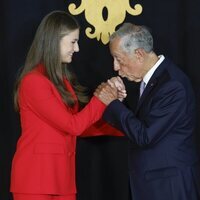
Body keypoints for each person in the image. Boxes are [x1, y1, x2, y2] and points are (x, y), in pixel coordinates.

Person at [10, 10, 126, 200]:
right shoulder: (33, 81)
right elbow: (74, 125)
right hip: (35, 180)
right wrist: (103, 97)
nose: (77, 48)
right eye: (73, 41)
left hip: (63, 180)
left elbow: (78, 125)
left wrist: (113, 108)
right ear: (54, 41)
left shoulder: (61, 80)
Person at [95, 23, 200, 200]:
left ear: (139, 54)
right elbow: (144, 126)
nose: (115, 67)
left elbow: (145, 136)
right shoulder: (155, 80)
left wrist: (113, 103)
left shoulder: (172, 85)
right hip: (154, 184)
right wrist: (120, 103)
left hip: (169, 187)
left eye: (119, 59)